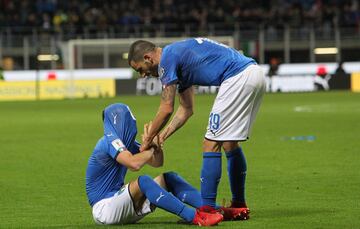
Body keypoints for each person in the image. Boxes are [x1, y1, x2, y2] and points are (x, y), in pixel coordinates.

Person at [128, 38, 266, 220]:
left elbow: (166, 108)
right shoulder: (177, 59)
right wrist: (161, 136)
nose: (142, 75)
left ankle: (208, 211)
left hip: (237, 77)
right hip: (254, 74)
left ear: (148, 58)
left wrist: (147, 139)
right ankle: (239, 205)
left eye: (140, 70)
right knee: (229, 144)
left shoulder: (167, 58)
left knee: (210, 144)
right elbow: (186, 109)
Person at [85, 103, 223, 226]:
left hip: (119, 204)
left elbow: (157, 163)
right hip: (104, 208)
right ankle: (194, 217)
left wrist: (156, 147)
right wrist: (151, 149)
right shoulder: (108, 142)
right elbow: (134, 164)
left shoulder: (125, 144)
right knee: (143, 181)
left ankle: (214, 209)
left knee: (169, 178)